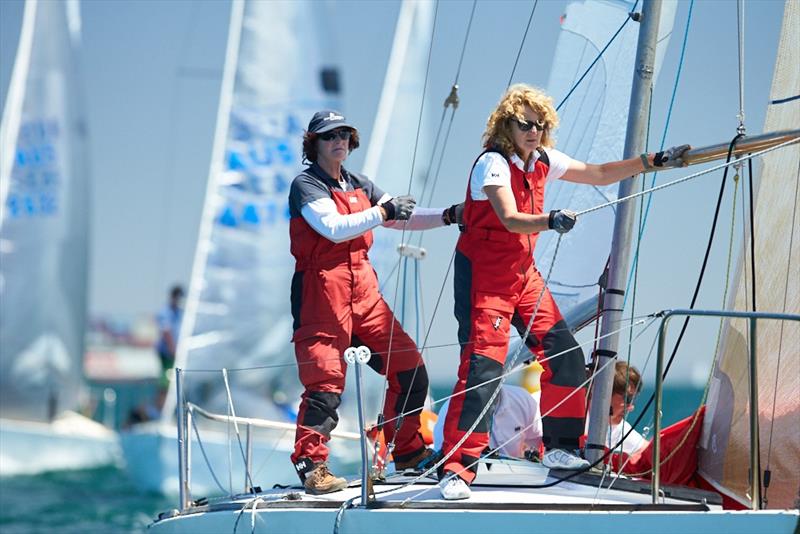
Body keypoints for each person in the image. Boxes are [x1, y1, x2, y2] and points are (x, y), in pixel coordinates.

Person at [438, 84, 689, 500]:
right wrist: (550, 220)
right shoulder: (492, 165)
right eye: (525, 124)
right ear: (507, 126)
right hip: (486, 280)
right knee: (483, 370)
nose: (534, 132)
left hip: (523, 276)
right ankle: (457, 469)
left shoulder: (544, 161)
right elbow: (511, 217)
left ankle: (559, 449)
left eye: (541, 125)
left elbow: (599, 173)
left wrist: (652, 162)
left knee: (567, 357)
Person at [288, 110, 463, 495]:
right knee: (325, 386)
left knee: (410, 370)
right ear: (314, 143)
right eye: (329, 135)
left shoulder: (358, 183)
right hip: (322, 294)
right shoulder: (306, 184)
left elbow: (402, 219)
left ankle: (409, 451)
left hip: (365, 293)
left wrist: (450, 216)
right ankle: (312, 465)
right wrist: (384, 211)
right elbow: (332, 229)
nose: (339, 141)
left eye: (345, 134)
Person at [607, 361, 648, 457]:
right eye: (627, 399)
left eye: (632, 400)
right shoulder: (575, 418)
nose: (631, 407)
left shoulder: (618, 429)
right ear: (607, 392)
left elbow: (649, 451)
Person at [155, 285, 184, 382]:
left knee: (175, 380)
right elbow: (166, 332)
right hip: (167, 353)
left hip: (177, 352)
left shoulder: (179, 312)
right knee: (167, 381)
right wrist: (173, 351)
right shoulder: (165, 312)